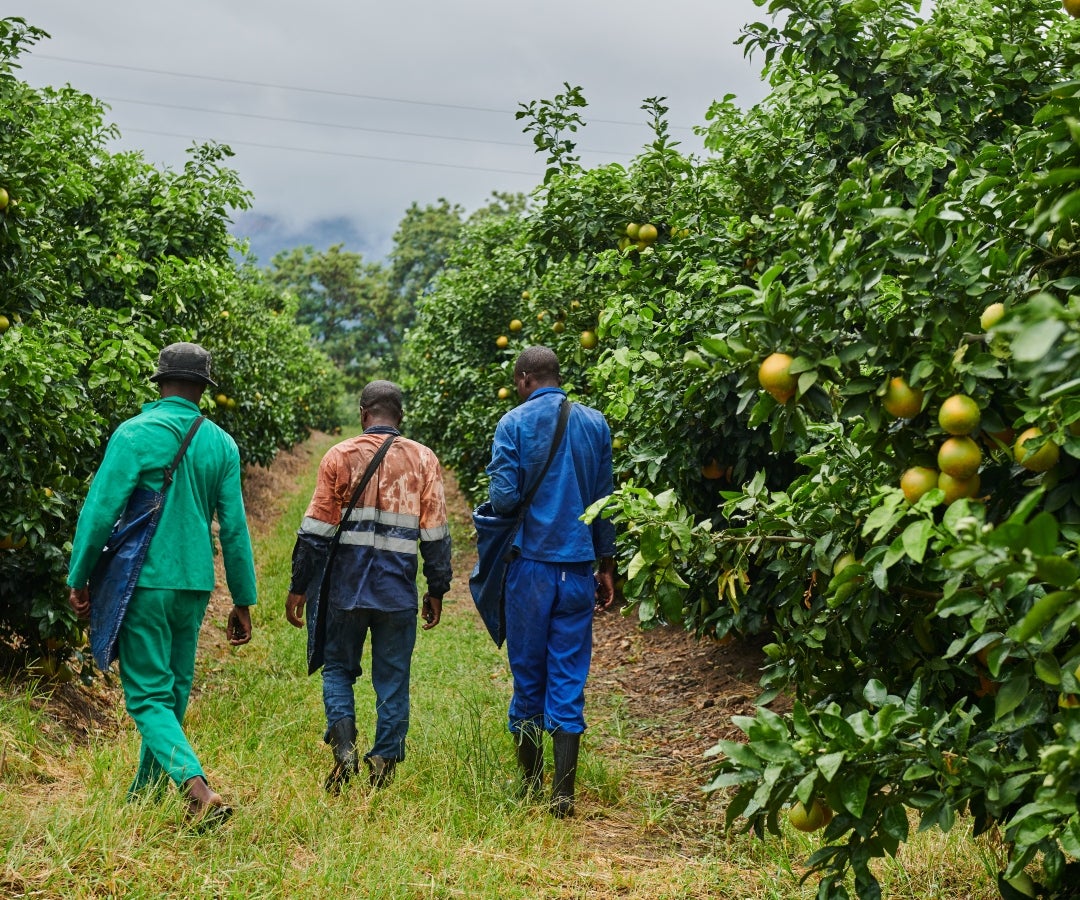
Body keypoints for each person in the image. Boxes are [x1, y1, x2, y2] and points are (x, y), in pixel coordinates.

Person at [67, 341, 257, 827]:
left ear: (161, 382)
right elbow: (234, 528)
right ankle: (144, 794)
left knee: (149, 696)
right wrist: (242, 599)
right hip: (194, 583)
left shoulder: (135, 434)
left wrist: (79, 575)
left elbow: (99, 511)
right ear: (202, 389)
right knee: (171, 691)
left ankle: (197, 788)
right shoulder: (221, 444)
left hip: (143, 581)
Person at [285, 380, 451, 792]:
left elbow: (315, 530)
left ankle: (344, 747)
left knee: (338, 668)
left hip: (346, 589)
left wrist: (299, 585)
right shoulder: (423, 460)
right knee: (393, 678)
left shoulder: (340, 456)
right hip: (396, 593)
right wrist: (436, 588)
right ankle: (384, 758)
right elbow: (435, 534)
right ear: (401, 417)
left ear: (363, 414)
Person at [486, 345, 616, 818]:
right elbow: (605, 501)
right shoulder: (594, 423)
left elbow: (502, 500)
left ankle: (529, 786)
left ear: (523, 379)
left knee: (529, 674)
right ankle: (563, 795)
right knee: (569, 674)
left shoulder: (513, 424)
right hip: (579, 570)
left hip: (531, 570)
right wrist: (607, 564)